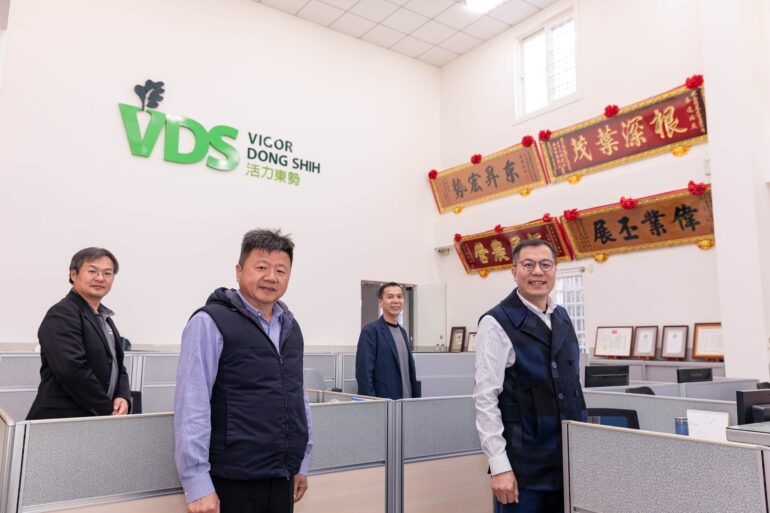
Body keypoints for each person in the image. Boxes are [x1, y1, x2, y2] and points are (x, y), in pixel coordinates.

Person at [174, 229, 312, 513]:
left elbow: (298, 397)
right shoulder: (210, 322)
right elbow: (192, 403)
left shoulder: (290, 326)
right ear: (238, 271)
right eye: (261, 267)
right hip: (231, 478)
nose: (271, 277)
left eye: (281, 270)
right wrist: (196, 481)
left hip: (282, 475)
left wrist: (301, 462)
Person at [473, 239, 586, 513]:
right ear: (514, 272)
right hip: (524, 468)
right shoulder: (496, 322)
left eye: (545, 264)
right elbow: (485, 399)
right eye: (528, 264)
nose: (537, 272)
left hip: (568, 461)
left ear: (555, 270)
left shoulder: (562, 317)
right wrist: (499, 466)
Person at [27, 247, 131, 420]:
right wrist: (107, 409)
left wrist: (122, 396)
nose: (100, 278)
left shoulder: (104, 318)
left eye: (107, 273)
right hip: (62, 420)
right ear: (73, 274)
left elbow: (117, 364)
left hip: (95, 419)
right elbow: (72, 370)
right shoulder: (62, 313)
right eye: (92, 271)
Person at [355, 282, 419, 400]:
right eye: (390, 297)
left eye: (399, 296)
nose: (396, 301)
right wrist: (372, 404)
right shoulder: (371, 331)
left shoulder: (403, 332)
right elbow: (364, 374)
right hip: (385, 403)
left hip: (406, 403)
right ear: (380, 302)